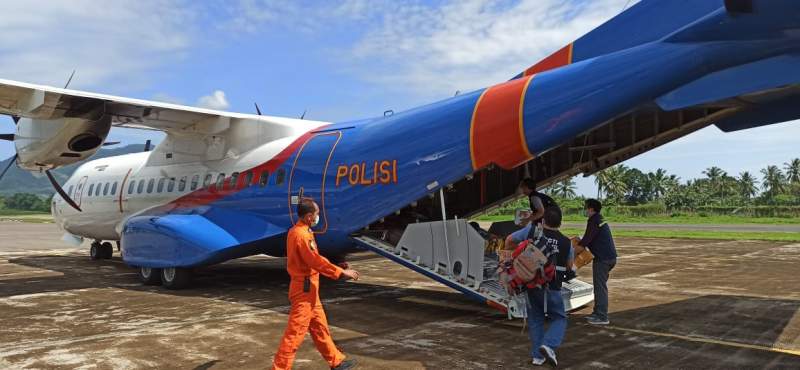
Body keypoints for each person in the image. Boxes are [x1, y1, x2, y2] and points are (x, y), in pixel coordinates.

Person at [272, 199, 360, 370]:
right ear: (309, 216)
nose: (318, 216)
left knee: (320, 328)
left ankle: (336, 361)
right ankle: (280, 367)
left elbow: (313, 258)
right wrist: (340, 273)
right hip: (304, 291)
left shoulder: (299, 231)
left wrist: (337, 266)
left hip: (310, 289)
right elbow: (315, 260)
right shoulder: (302, 235)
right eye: (317, 214)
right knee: (295, 333)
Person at [527, 206, 572, 367]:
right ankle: (549, 344)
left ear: (543, 220)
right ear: (560, 223)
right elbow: (569, 265)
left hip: (532, 285)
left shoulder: (533, 233)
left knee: (535, 319)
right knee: (559, 318)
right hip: (553, 286)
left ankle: (537, 357)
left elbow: (511, 239)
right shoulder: (567, 242)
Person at [575, 198, 617, 326]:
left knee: (600, 288)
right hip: (609, 257)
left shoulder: (594, 221)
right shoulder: (599, 219)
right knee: (600, 286)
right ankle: (597, 312)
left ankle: (602, 316)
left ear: (591, 209)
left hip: (603, 259)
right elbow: (590, 237)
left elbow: (585, 242)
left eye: (585, 207)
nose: (585, 210)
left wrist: (570, 252)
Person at [504, 178, 557, 252]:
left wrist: (527, 220)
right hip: (550, 224)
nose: (521, 189)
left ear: (526, 187)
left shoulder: (534, 197)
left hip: (542, 226)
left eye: (522, 187)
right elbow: (538, 212)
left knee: (509, 239)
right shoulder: (538, 196)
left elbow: (541, 212)